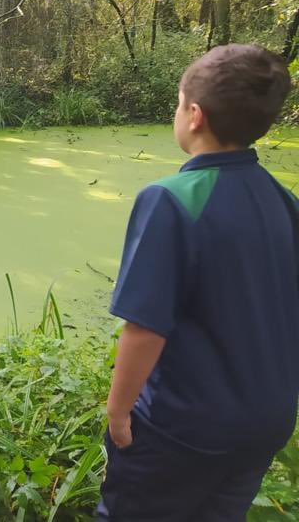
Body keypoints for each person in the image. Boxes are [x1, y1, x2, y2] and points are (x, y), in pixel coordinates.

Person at [98, 44, 299, 521]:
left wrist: (118, 413)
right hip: (264, 422)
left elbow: (145, 328)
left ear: (194, 115)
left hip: (183, 426)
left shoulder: (170, 200)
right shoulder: (284, 200)